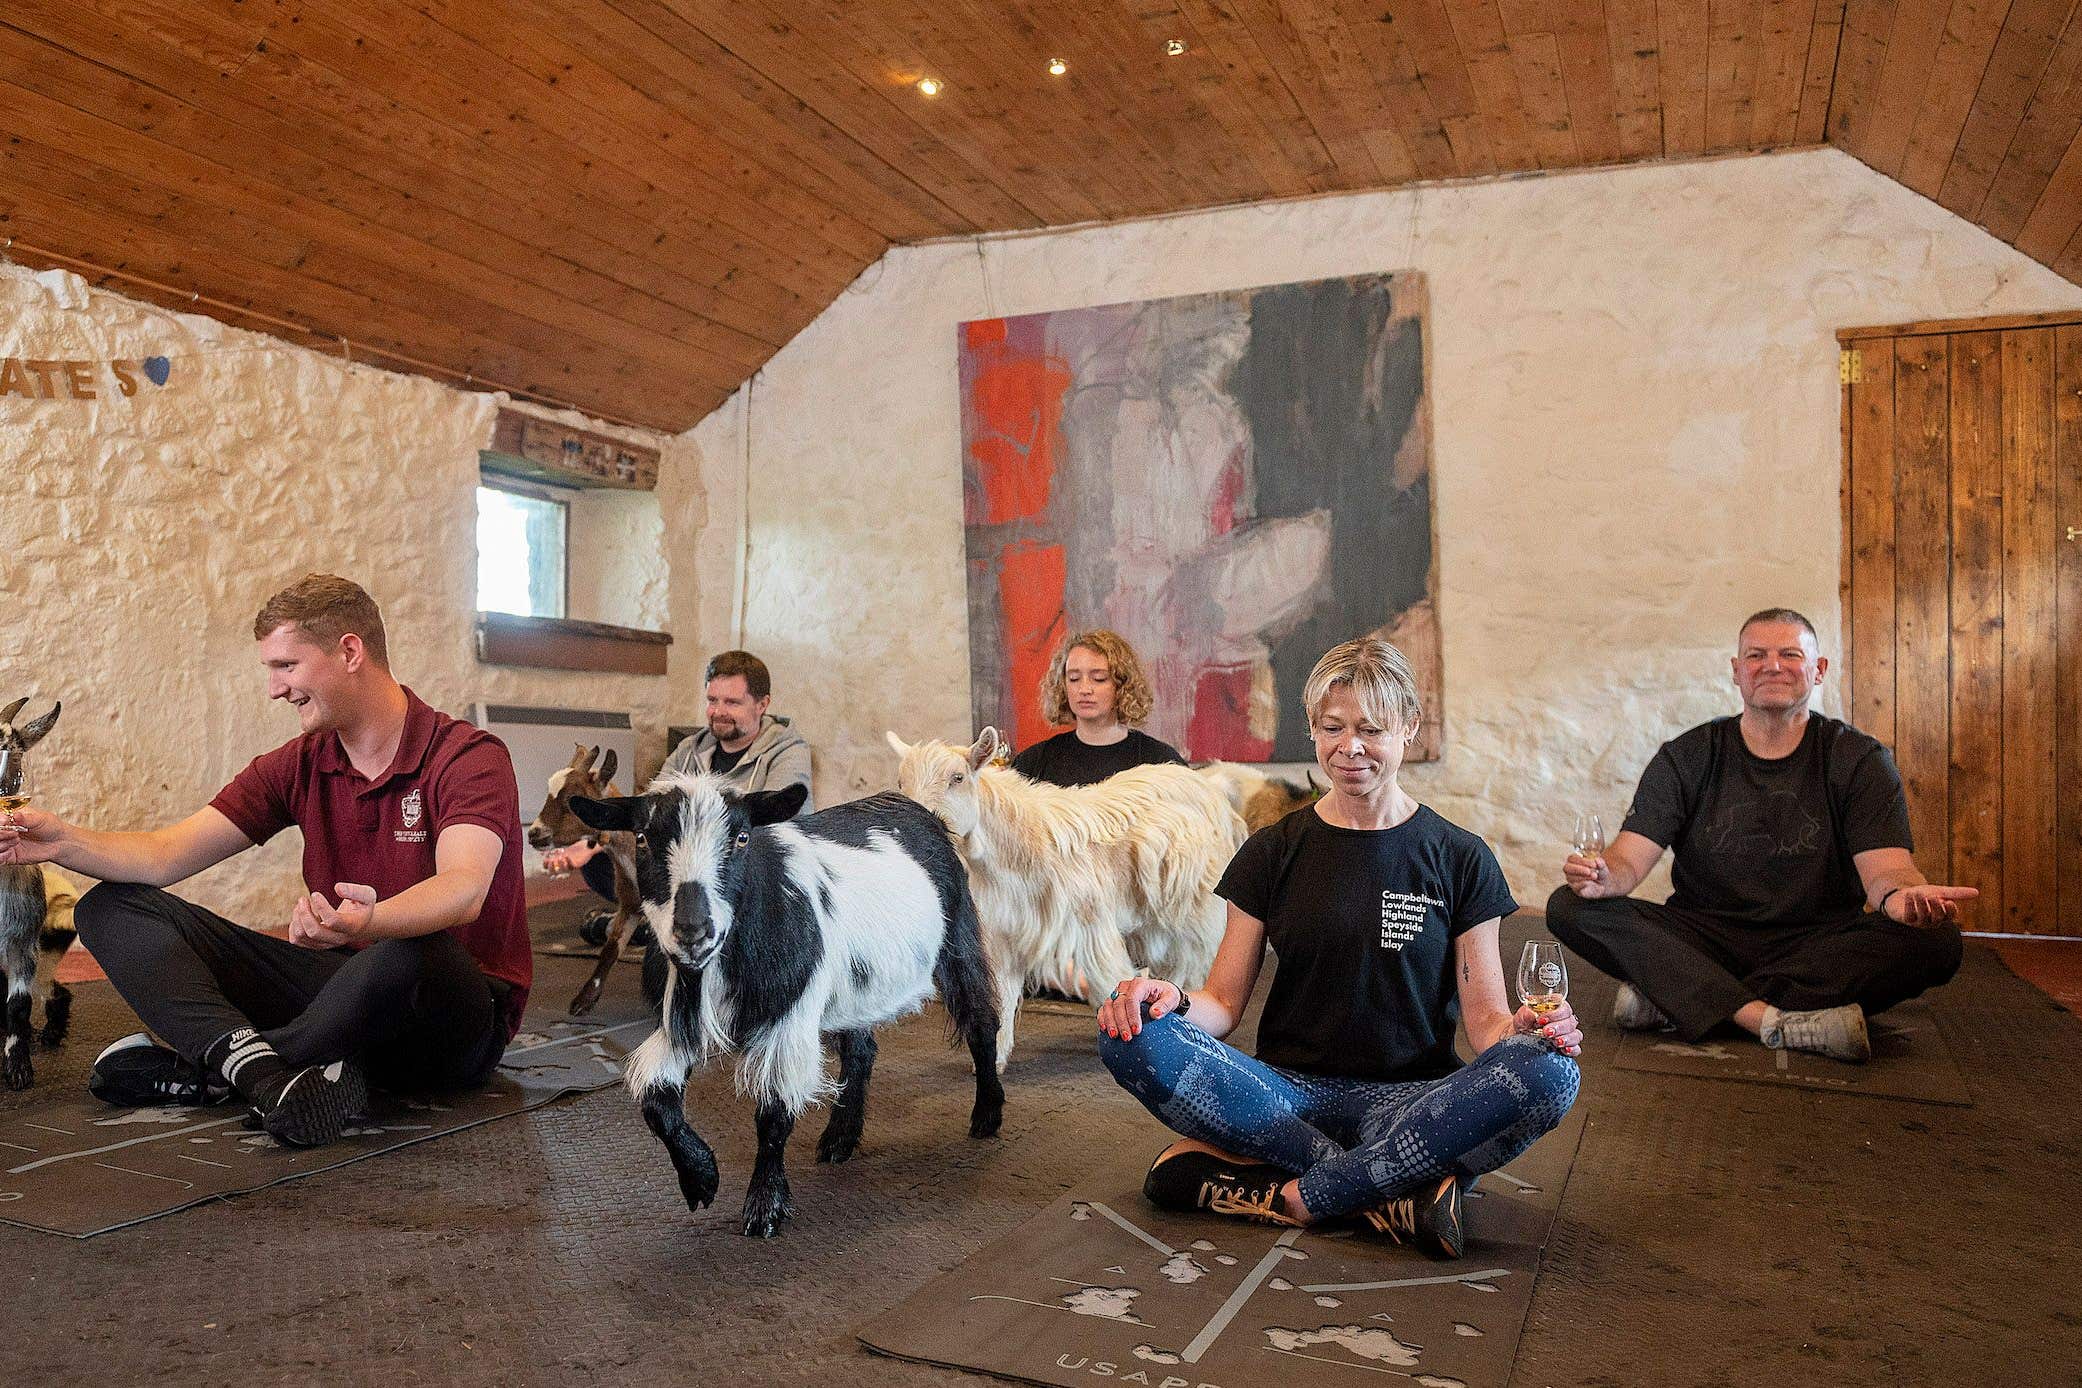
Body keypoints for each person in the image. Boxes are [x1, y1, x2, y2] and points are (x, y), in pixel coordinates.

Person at [0, 575, 532, 1146]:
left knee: (412, 952)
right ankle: (263, 1075)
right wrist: (63, 842)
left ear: (349, 652)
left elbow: (463, 888)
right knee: (109, 907)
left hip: (449, 1015)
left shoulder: (468, 757)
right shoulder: (300, 763)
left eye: (286, 667)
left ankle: (213, 1068)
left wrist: (373, 921)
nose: (275, 690)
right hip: (340, 989)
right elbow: (165, 855)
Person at [1096, 637, 1581, 1258]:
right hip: (1282, 1095)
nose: (1350, 747)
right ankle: (1392, 1188)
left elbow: (1487, 1026)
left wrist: (1524, 1030)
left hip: (1415, 1101)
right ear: (1313, 729)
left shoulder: (1461, 858)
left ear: (1409, 727)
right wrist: (1168, 1000)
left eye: (1372, 729)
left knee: (1550, 1072)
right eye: (1333, 727)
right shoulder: (1271, 851)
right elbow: (1220, 1003)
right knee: (1126, 1030)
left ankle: (1298, 1193)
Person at [1545, 608, 1969, 1063]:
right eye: (1756, 655)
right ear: (1736, 672)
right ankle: (1768, 1019)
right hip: (1705, 936)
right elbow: (1627, 861)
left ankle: (1682, 996)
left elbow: (1888, 870)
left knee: (1937, 941)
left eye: (1790, 654)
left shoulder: (1858, 760)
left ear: (1818, 670)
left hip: (1816, 944)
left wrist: (1902, 898)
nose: (1772, 665)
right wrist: (1602, 878)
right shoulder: (1687, 756)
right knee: (1568, 905)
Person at [544, 649, 813, 924]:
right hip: (685, 870)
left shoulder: (787, 751)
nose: (718, 712)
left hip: (739, 871)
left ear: (762, 704)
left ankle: (660, 927)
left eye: (732, 702)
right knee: (600, 865)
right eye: (712, 700)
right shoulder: (689, 749)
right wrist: (598, 843)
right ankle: (660, 923)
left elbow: (782, 826)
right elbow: (650, 812)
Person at [1011, 630, 1185, 787]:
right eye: (1074, 678)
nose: (1084, 689)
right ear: (1063, 685)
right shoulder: (1033, 764)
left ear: (1122, 685)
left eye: (1099, 678)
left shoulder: (1161, 762)